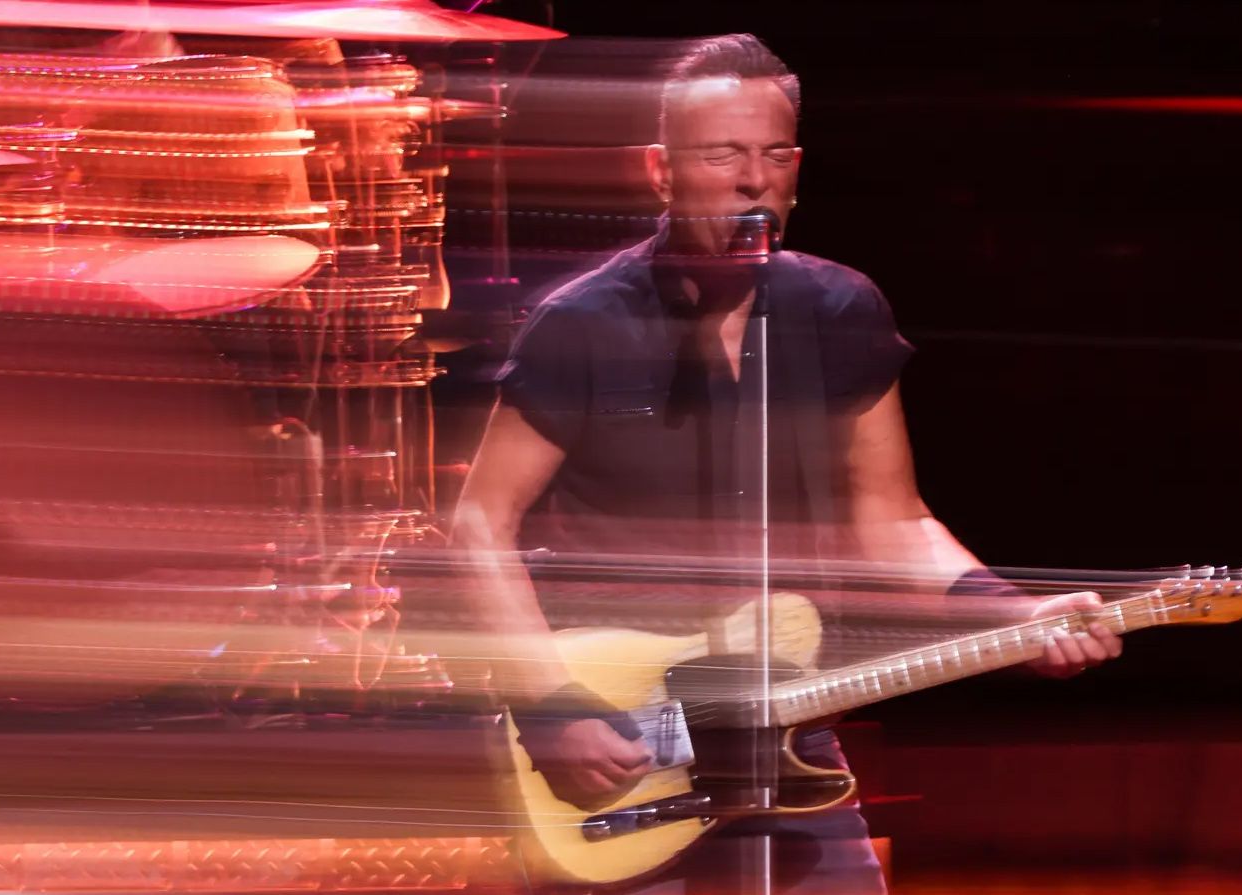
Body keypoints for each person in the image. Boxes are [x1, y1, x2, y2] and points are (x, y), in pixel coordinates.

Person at [450, 34, 1123, 893]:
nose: (751, 179)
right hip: (626, 736)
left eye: (773, 155)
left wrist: (1012, 615)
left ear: (796, 168)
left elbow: (895, 520)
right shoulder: (584, 323)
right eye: (722, 154)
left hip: (781, 722)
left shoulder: (838, 310)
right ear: (660, 171)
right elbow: (480, 520)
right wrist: (551, 705)